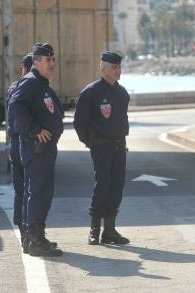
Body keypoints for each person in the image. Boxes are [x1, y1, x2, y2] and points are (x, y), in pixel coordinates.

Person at [8, 43, 64, 257]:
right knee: (37, 193)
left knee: (43, 193)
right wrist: (34, 130)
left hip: (45, 150)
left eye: (53, 59)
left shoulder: (42, 84)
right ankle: (33, 239)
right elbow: (15, 107)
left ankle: (37, 237)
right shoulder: (30, 83)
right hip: (36, 149)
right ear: (37, 62)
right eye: (48, 60)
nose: (52, 63)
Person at [73, 51, 130, 245]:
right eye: (114, 67)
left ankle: (110, 230)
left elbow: (122, 120)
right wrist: (91, 142)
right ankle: (94, 230)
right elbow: (79, 123)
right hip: (101, 146)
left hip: (119, 146)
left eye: (119, 67)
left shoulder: (122, 93)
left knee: (117, 187)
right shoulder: (91, 92)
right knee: (102, 185)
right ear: (103, 68)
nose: (118, 70)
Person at [6, 53, 32, 249]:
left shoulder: (13, 87)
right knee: (33, 190)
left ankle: (24, 231)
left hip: (14, 143)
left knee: (19, 190)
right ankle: (30, 232)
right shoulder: (33, 88)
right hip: (27, 143)